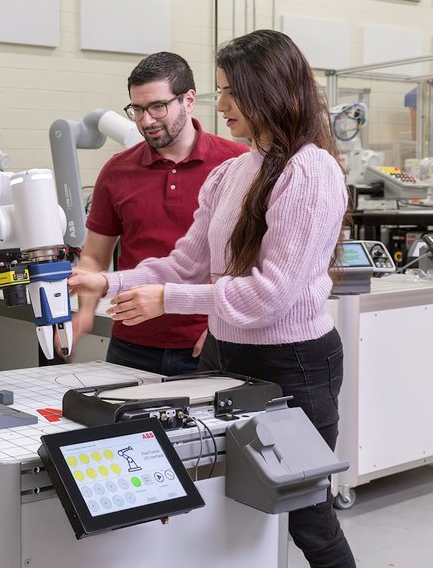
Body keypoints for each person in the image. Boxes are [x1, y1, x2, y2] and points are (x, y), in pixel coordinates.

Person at [69, 30, 355, 568]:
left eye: (232, 92)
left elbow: (271, 293)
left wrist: (166, 301)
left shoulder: (310, 170)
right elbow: (184, 263)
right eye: (220, 90)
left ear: (271, 91)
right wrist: (110, 283)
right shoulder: (233, 172)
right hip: (226, 357)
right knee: (221, 504)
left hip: (290, 363)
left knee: (306, 516)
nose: (220, 105)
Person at [62, 52, 247, 375]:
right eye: (137, 109)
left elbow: (250, 260)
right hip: (131, 341)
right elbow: (95, 255)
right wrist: (86, 312)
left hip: (207, 342)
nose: (146, 120)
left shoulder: (236, 163)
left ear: (189, 100)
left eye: (157, 107)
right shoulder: (117, 170)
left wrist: (221, 326)